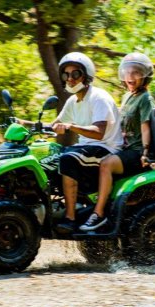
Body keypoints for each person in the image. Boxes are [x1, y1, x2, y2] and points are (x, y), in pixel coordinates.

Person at [79, 52, 155, 231]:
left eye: (136, 72)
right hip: (122, 148)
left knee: (106, 165)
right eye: (127, 72)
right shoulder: (127, 97)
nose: (130, 76)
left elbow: (146, 127)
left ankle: (98, 213)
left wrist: (145, 152)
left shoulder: (145, 99)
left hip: (136, 151)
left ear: (145, 76)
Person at [49, 52, 123, 233]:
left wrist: (71, 126)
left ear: (86, 75)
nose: (70, 79)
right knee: (49, 160)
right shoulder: (73, 101)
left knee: (68, 159)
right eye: (66, 75)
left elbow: (99, 133)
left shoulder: (99, 97)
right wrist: (25, 124)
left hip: (106, 148)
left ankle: (70, 218)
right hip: (87, 148)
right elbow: (54, 125)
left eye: (75, 74)